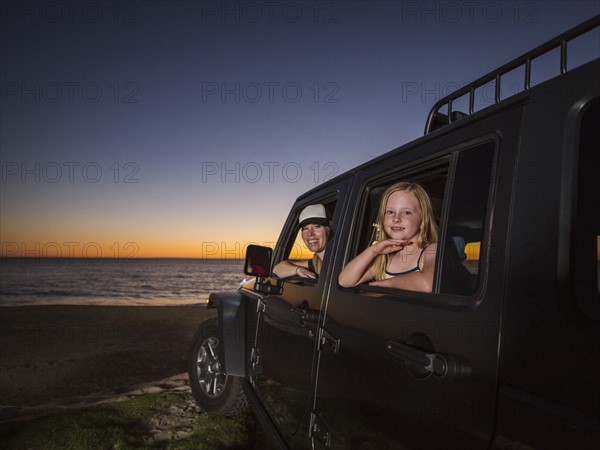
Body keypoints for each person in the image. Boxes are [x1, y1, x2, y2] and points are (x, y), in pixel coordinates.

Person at [338, 182, 438, 292]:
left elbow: (427, 283)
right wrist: (374, 250)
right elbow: (345, 280)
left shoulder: (431, 250)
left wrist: (388, 284)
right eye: (390, 212)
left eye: (406, 212)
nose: (396, 218)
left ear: (423, 218)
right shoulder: (386, 259)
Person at [273, 204, 331, 279]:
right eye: (305, 228)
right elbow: (277, 269)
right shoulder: (316, 262)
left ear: (328, 228)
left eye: (317, 226)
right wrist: (297, 270)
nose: (310, 233)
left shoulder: (343, 258)